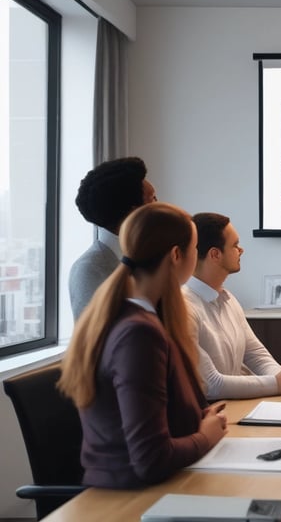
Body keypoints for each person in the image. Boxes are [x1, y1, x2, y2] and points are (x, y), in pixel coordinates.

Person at [57, 202, 227, 489]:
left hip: (163, 483)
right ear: (176, 255)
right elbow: (151, 459)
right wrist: (205, 437)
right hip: (133, 497)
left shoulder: (140, 318)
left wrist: (199, 419)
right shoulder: (138, 335)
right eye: (195, 249)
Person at [184, 213, 281, 399]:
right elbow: (211, 384)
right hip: (208, 414)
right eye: (235, 245)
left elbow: (255, 354)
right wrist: (278, 383)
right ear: (215, 254)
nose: (241, 250)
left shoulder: (229, 298)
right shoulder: (184, 305)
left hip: (236, 408)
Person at [69, 157, 157, 320]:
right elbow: (97, 339)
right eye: (152, 199)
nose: (159, 207)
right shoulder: (89, 269)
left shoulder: (147, 255)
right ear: (133, 213)